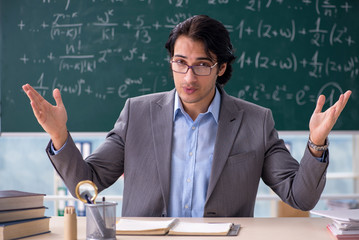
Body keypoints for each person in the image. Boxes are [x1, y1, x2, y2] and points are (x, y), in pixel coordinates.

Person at [22, 15, 351, 217]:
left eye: (202, 65)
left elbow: (301, 197)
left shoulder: (256, 121)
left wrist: (316, 144)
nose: (188, 77)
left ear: (221, 67)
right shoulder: (136, 113)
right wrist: (59, 136)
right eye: (180, 62)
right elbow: (88, 183)